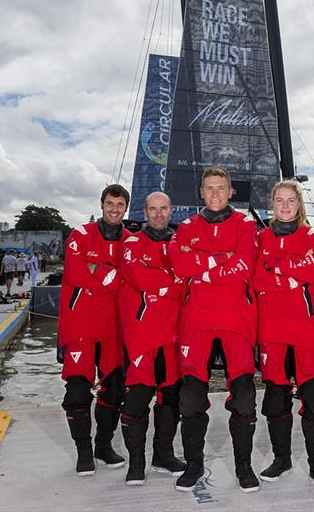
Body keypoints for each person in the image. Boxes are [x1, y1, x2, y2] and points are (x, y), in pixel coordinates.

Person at [169, 166, 260, 492]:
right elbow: (179, 263)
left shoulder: (245, 226)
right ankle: (194, 467)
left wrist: (203, 267)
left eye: (222, 188)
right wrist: (220, 259)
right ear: (201, 193)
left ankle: (244, 467)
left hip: (237, 321)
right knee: (191, 399)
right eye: (210, 188)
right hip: (197, 322)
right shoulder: (186, 227)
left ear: (231, 191)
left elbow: (244, 265)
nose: (216, 193)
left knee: (246, 399)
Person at [252, 180, 314, 491]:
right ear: (272, 203)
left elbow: (311, 271)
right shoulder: (259, 237)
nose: (285, 206)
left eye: (291, 200)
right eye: (279, 200)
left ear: (299, 205)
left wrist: (277, 269)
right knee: (276, 398)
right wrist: (288, 277)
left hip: (306, 330)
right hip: (272, 330)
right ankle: (281, 459)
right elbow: (256, 278)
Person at [58, 184, 131, 476]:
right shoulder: (81, 235)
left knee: (114, 391)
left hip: (115, 327)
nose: (114, 209)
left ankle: (103, 445)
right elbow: (75, 273)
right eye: (110, 203)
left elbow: (131, 280)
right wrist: (112, 276)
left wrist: (97, 270)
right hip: (81, 325)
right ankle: (83, 451)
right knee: (77, 392)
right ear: (101, 205)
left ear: (126, 208)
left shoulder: (132, 240)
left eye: (120, 205)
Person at [118, 191, 187, 485]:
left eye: (163, 209)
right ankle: (136, 462)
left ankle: (164, 454)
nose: (158, 214)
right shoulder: (131, 243)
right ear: (144, 212)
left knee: (170, 398)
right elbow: (138, 277)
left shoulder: (181, 243)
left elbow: (187, 274)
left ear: (171, 210)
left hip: (174, 333)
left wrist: (163, 279)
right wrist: (171, 278)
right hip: (142, 335)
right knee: (137, 399)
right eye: (153, 209)